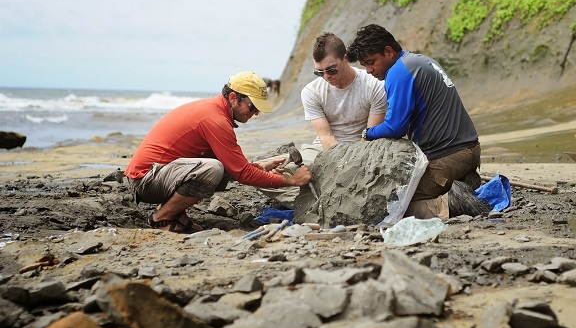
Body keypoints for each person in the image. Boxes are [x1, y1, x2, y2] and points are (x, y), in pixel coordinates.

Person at [124, 72, 313, 233]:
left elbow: (236, 166)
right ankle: (162, 218)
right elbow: (243, 174)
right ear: (233, 98)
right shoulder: (215, 120)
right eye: (253, 107)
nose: (255, 113)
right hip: (145, 181)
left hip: (158, 174)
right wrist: (293, 181)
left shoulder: (215, 111)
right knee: (213, 169)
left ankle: (176, 213)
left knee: (219, 165)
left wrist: (259, 167)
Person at [347, 24, 481, 219]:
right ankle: (462, 181)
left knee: (391, 204)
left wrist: (368, 133)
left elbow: (395, 127)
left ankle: (450, 202)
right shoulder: (419, 60)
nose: (368, 71)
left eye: (371, 62)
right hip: (471, 150)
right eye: (364, 65)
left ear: (388, 52)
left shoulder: (398, 72)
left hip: (447, 158)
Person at [258, 32, 388, 208]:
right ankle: (316, 203)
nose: (326, 77)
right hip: (324, 149)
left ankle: (321, 199)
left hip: (363, 148)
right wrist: (337, 165)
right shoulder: (311, 92)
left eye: (331, 70)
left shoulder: (374, 85)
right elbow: (325, 136)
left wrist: (349, 167)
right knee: (264, 175)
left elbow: (371, 136)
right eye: (319, 72)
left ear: (346, 58)